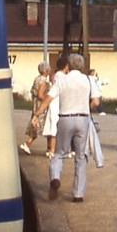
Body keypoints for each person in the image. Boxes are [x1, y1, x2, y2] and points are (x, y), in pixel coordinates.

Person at [40, 52, 99, 202]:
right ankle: (78, 193)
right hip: (82, 119)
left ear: (69, 66)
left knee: (59, 152)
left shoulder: (62, 80)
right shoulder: (89, 79)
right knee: (80, 156)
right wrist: (87, 108)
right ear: (82, 66)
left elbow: (49, 98)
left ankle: (55, 177)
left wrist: (37, 113)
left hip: (65, 118)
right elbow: (96, 102)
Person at [20, 61, 51, 155]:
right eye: (48, 68)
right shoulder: (44, 81)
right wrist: (48, 100)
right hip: (42, 106)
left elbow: (34, 92)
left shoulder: (37, 79)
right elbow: (40, 94)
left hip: (36, 105)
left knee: (36, 125)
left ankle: (48, 148)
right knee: (46, 125)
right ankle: (29, 143)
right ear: (46, 70)